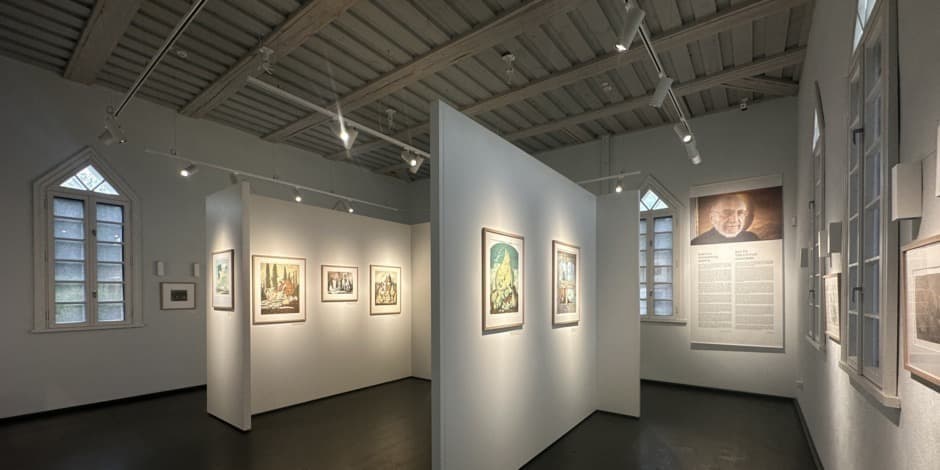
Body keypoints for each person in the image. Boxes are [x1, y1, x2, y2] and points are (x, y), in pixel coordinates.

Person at [691, 193, 760, 245]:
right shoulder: (698, 242)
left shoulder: (752, 238)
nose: (734, 220)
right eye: (727, 213)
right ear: (712, 217)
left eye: (740, 213)